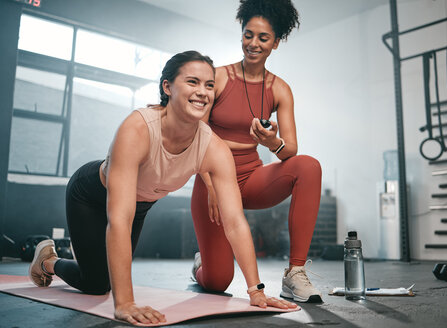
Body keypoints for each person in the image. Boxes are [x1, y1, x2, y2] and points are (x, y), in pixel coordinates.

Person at [28, 50, 297, 326]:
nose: (203, 92)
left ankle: (53, 260)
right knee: (99, 286)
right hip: (89, 195)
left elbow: (235, 223)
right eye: (192, 82)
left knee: (98, 281)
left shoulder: (214, 148)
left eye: (209, 85)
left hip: (140, 204)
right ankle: (48, 260)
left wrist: (256, 290)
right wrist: (125, 304)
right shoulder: (138, 128)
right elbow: (119, 219)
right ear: (167, 87)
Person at [192, 0, 323, 303]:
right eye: (248, 35)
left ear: (276, 42)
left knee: (308, 166)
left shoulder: (280, 89)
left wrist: (271, 142)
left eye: (263, 38)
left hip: (251, 177)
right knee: (217, 282)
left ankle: (295, 273)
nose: (253, 43)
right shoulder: (218, 78)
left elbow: (288, 150)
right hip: (212, 179)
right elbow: (196, 136)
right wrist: (210, 184)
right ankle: (203, 264)